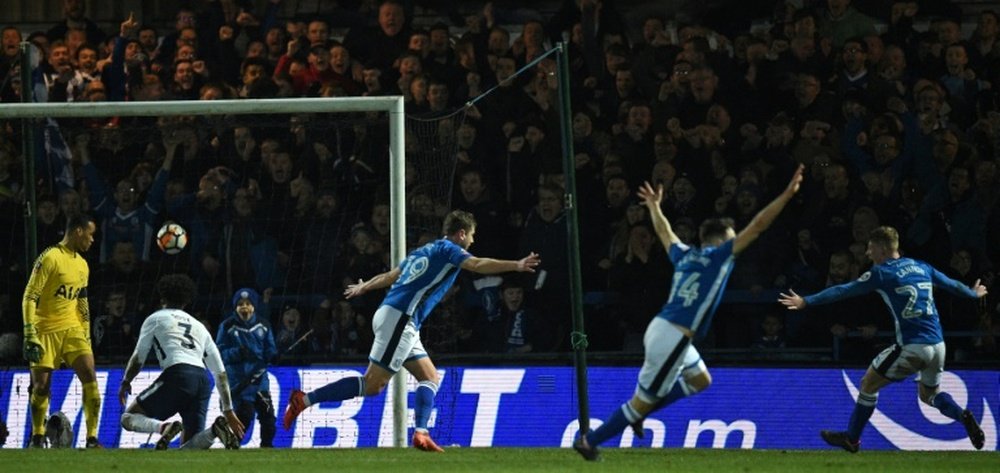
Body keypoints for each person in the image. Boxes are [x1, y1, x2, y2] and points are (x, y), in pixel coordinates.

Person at [574, 165, 805, 461]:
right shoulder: (721, 256)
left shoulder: (685, 254)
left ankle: (641, 413)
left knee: (701, 380)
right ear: (722, 240)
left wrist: (655, 207)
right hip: (673, 337)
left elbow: (665, 232)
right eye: (733, 237)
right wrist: (785, 195)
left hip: (668, 331)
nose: (736, 241)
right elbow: (758, 225)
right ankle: (590, 440)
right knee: (639, 402)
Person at [283, 210, 540, 452]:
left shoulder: (423, 251)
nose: (472, 241)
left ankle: (421, 433)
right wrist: (516, 265)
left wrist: (366, 287)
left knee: (430, 377)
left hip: (398, 318)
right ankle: (304, 399)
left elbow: (392, 275)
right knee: (373, 385)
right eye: (471, 235)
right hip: (400, 320)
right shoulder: (450, 249)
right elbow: (478, 264)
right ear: (461, 233)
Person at [778, 226, 988, 452]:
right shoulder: (921, 266)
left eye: (870, 248)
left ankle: (851, 438)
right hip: (938, 345)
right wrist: (971, 293)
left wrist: (806, 301)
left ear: (882, 249)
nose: (868, 254)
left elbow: (842, 291)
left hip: (912, 345)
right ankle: (962, 414)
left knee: (868, 384)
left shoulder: (882, 273)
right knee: (930, 395)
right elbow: (951, 284)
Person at [117, 274, 245, 450]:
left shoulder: (155, 318)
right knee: (188, 448)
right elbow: (220, 372)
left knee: (128, 418)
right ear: (186, 302)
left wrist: (126, 381)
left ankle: (163, 427)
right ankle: (214, 431)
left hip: (178, 375)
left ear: (162, 298)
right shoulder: (199, 326)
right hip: (202, 381)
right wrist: (228, 410)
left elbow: (139, 357)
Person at [22, 214, 102, 448]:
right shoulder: (50, 258)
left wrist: (85, 331)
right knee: (41, 387)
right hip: (45, 328)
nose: (92, 240)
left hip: (73, 329)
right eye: (91, 233)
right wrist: (29, 332)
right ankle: (37, 436)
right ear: (78, 231)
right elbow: (30, 296)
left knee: (90, 376)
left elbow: (81, 300)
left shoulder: (82, 264)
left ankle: (92, 438)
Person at [216, 288, 278, 448]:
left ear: (254, 306)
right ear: (235, 307)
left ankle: (267, 447)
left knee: (268, 417)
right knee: (245, 415)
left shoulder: (264, 325)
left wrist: (273, 355)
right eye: (240, 304)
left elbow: (270, 348)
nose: (244, 307)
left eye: (248, 304)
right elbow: (219, 353)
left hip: (259, 379)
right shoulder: (227, 326)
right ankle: (232, 444)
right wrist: (238, 353)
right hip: (239, 381)